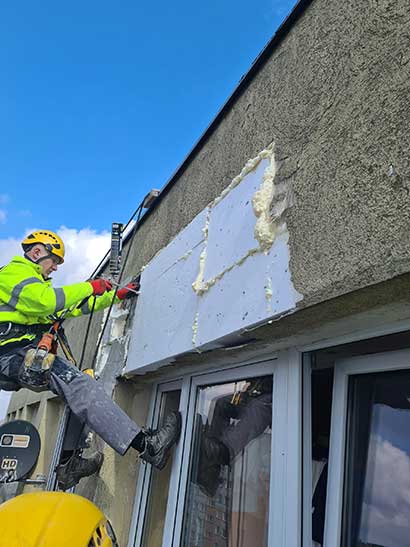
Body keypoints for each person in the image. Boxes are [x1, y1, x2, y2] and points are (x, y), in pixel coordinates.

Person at [0, 230, 181, 486]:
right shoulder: (14, 273)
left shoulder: (35, 283)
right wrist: (90, 286)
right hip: (10, 353)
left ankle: (68, 464)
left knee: (81, 385)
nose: (54, 268)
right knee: (81, 387)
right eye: (54, 261)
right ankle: (148, 446)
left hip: (17, 354)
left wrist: (115, 294)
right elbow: (44, 303)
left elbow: (74, 306)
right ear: (37, 252)